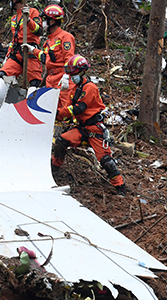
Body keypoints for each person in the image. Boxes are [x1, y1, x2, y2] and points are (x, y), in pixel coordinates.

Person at [52, 55, 127, 197]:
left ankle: (120, 186)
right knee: (61, 141)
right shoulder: (73, 90)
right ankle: (55, 168)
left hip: (94, 129)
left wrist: (56, 113)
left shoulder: (90, 88)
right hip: (81, 129)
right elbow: (68, 110)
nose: (72, 76)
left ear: (81, 72)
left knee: (106, 161)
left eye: (74, 73)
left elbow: (78, 109)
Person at [0, 0, 44, 87]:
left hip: (30, 52)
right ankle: (1, 101)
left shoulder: (33, 12)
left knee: (35, 84)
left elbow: (39, 31)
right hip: (16, 54)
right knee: (2, 77)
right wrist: (8, 55)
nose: (11, 2)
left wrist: (29, 20)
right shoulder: (14, 18)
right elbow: (14, 39)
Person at [34, 4, 76, 111]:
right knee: (50, 111)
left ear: (52, 21)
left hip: (62, 79)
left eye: (44, 20)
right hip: (50, 80)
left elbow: (69, 58)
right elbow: (46, 58)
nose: (42, 23)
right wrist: (32, 50)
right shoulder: (49, 41)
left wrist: (66, 77)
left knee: (63, 111)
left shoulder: (65, 37)